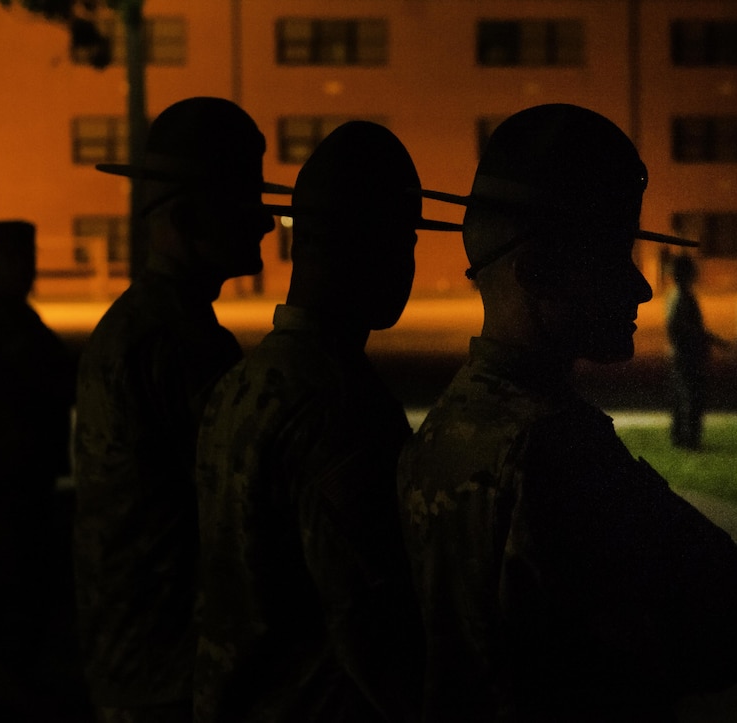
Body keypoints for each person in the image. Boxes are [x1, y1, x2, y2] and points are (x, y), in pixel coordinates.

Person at [398, 104, 737, 721]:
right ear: (539, 269)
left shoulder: (441, 432)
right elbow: (733, 624)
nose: (640, 287)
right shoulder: (556, 455)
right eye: (610, 256)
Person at [194, 121, 456, 722]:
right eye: (405, 239)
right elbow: (372, 626)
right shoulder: (340, 408)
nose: (408, 260)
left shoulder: (243, 383)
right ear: (372, 244)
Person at [73, 97, 281, 721]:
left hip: (136, 653)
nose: (266, 223)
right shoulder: (180, 342)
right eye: (244, 204)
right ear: (190, 218)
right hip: (170, 668)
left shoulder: (144, 325)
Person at [0, 219, 76, 716]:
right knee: (18, 573)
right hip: (15, 461)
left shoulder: (7, 316)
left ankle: (10, 674)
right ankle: (8, 677)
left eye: (29, 261)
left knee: (21, 571)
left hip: (19, 459)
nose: (29, 271)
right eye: (20, 261)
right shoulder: (2, 321)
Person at [666, 254, 726, 449]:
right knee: (691, 397)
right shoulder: (682, 297)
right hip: (687, 355)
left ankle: (680, 437)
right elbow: (683, 327)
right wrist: (713, 339)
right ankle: (689, 439)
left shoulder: (675, 295)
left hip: (682, 354)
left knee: (682, 396)